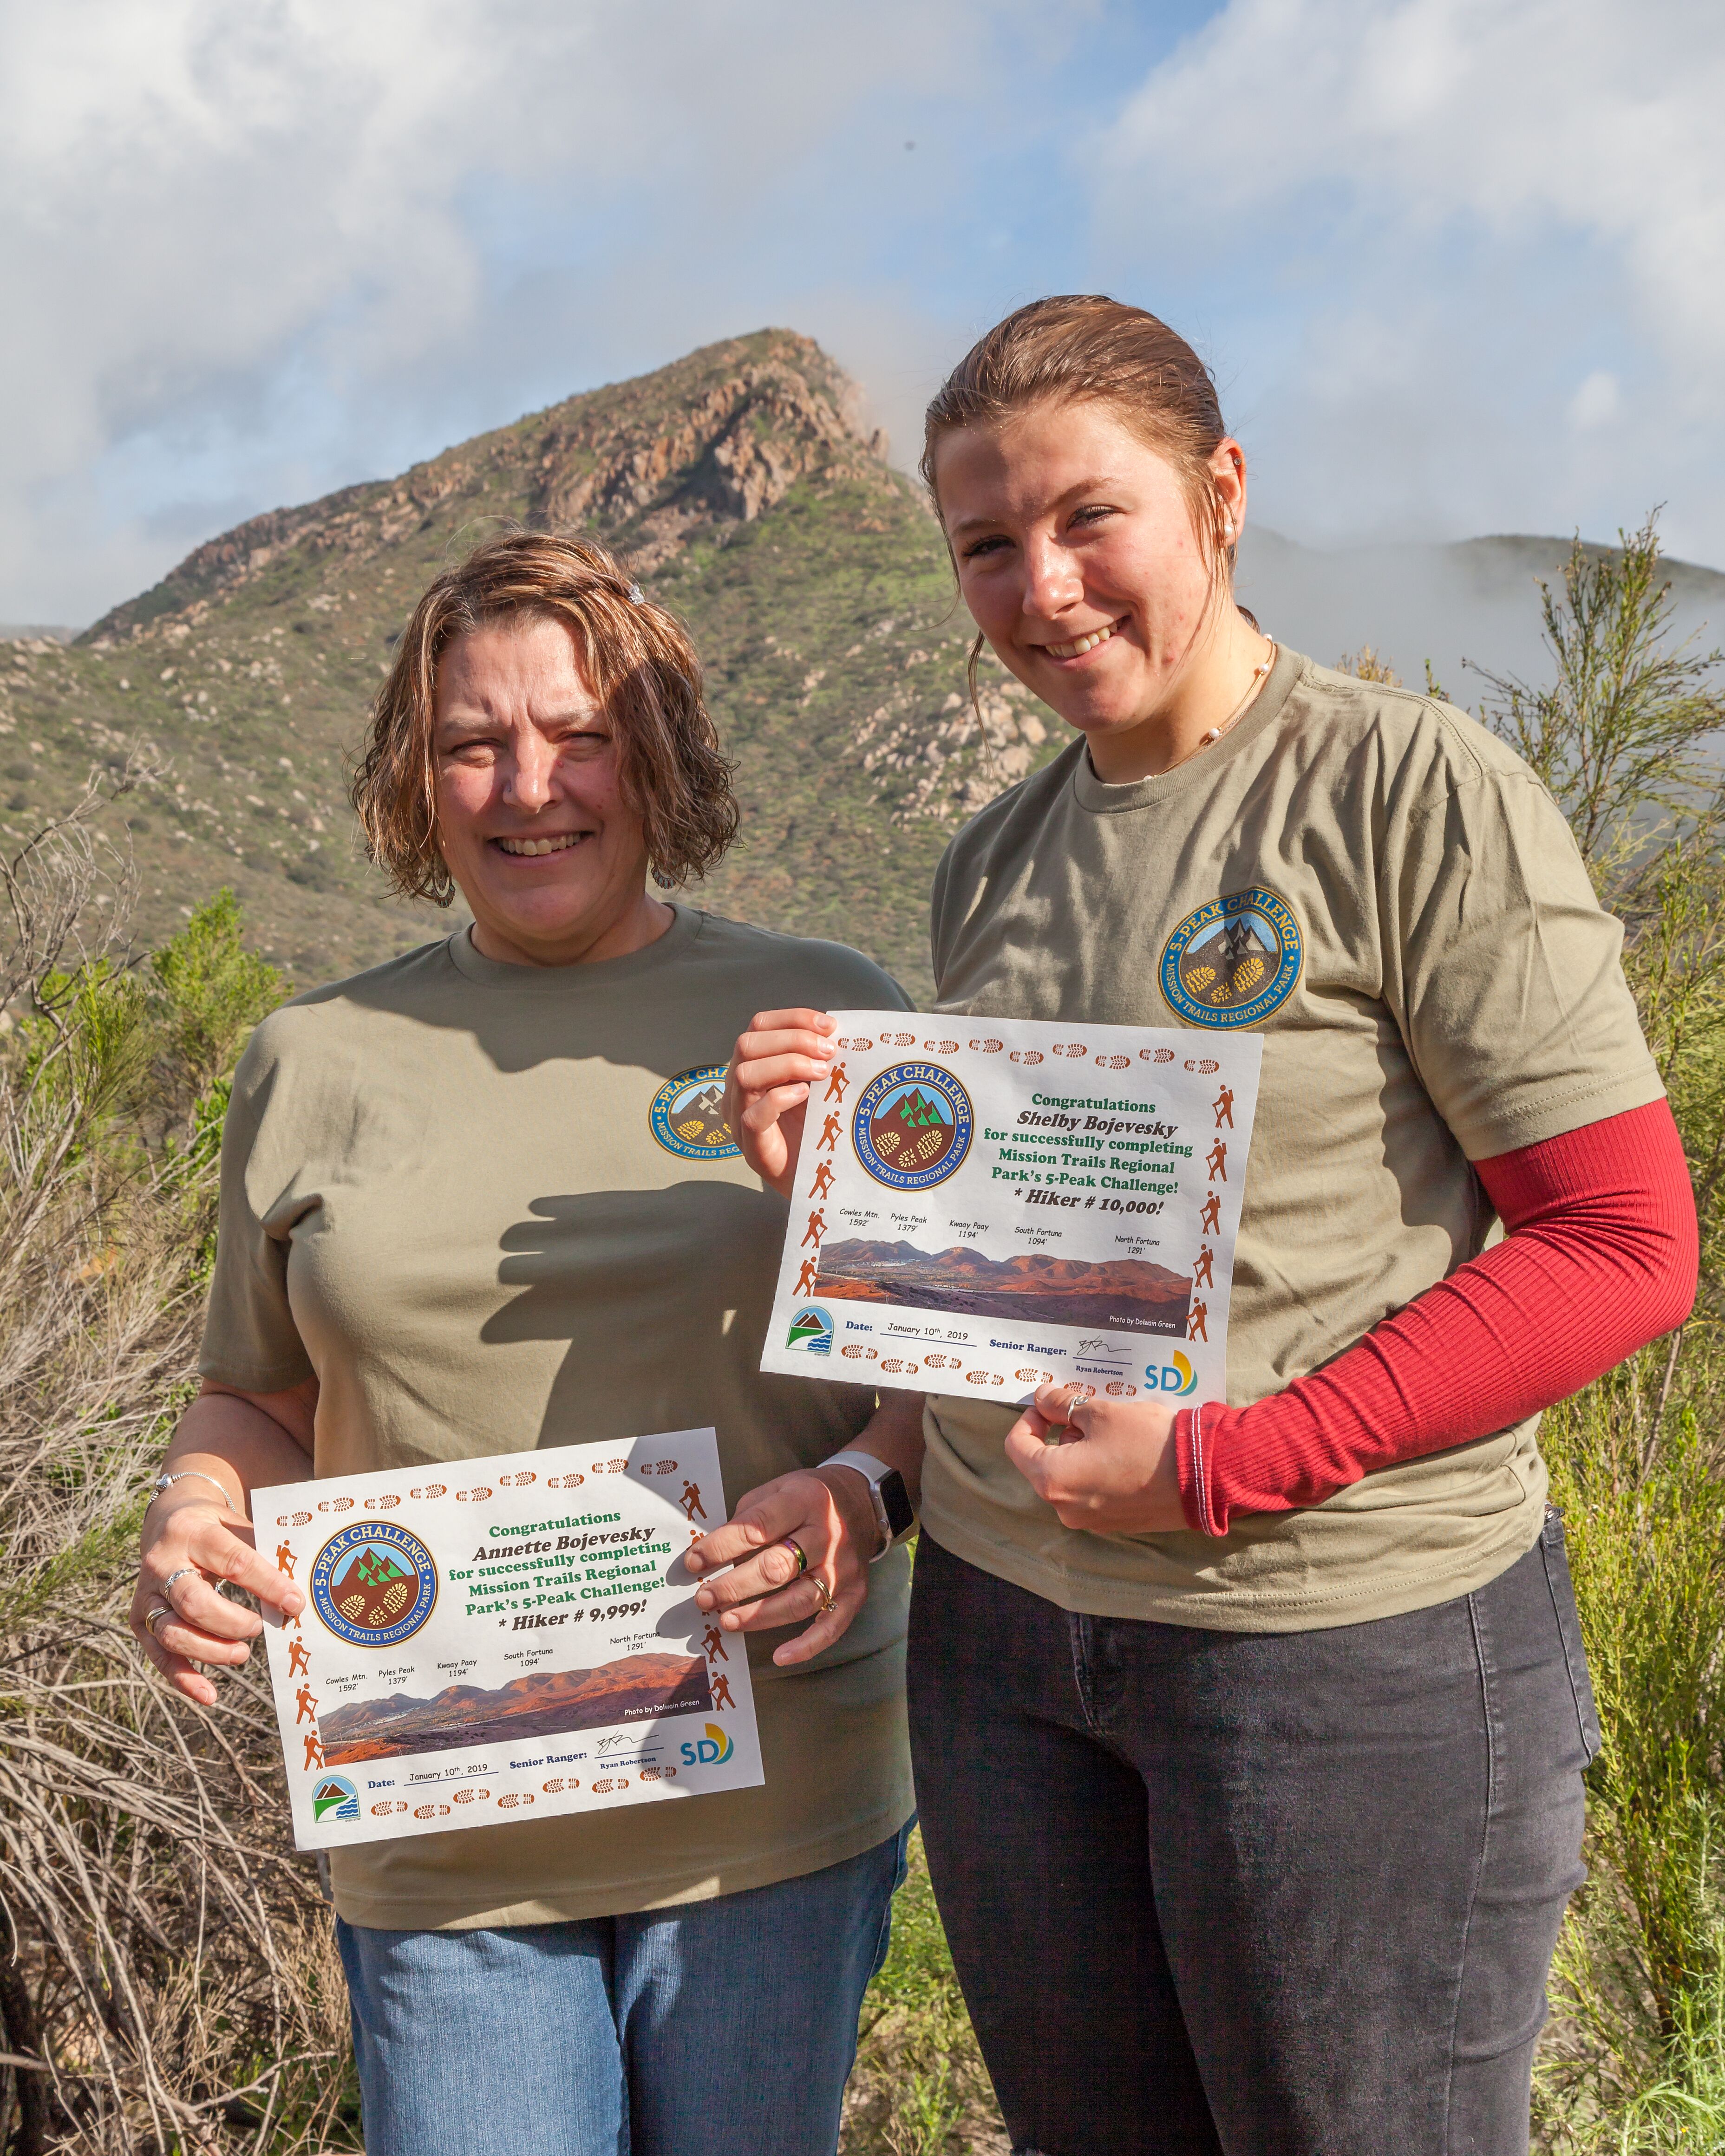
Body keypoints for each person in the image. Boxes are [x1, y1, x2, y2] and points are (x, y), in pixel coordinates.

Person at [720, 298, 1698, 2156]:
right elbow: (1014, 1281)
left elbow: (1618, 1246)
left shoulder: (1406, 793)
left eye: (1090, 519)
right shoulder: (993, 856)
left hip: (1337, 1660)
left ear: (1220, 493)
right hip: (1009, 1658)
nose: (1043, 589)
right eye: (986, 546)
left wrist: (1245, 1457)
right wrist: (867, 1259)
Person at [127, 531, 924, 2156]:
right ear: (415, 781)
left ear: (658, 753)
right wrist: (198, 1508)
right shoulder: (314, 1057)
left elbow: (938, 1369)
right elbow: (258, 1395)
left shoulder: (820, 1008)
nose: (525, 784)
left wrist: (861, 1489)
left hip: (770, 1805)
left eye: (575, 734)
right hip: (441, 1822)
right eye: (471, 742)